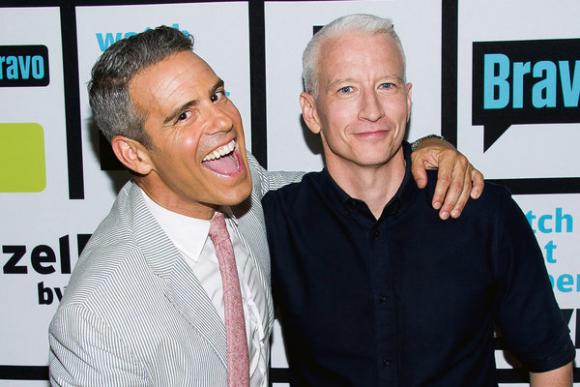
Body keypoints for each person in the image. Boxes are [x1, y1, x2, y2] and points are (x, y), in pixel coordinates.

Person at [48, 26, 482, 386]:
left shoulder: (238, 185)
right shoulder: (98, 318)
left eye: (216, 95)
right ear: (134, 155)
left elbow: (336, 187)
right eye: (184, 115)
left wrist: (424, 148)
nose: (221, 121)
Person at [262, 14, 574, 387]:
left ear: (408, 100)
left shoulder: (482, 211)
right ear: (312, 112)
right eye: (346, 89)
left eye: (386, 85)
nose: (372, 109)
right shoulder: (276, 225)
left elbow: (550, 362)